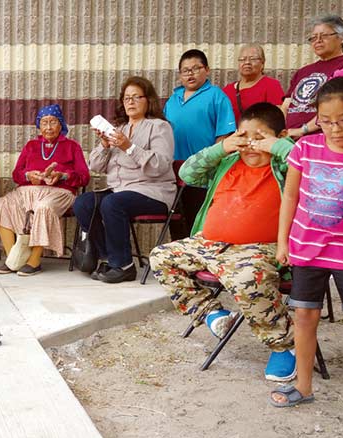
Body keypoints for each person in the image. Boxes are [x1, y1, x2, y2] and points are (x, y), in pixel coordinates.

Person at [150, 102, 297, 382]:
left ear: (281, 136)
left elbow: (305, 160)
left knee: (245, 277)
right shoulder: (228, 160)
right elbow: (187, 174)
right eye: (244, 136)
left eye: (259, 137)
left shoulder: (285, 165)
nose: (250, 144)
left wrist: (277, 146)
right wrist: (223, 147)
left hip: (259, 248)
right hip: (211, 244)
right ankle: (211, 312)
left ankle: (284, 346)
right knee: (161, 256)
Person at [270, 75, 343, 407]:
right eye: (325, 121)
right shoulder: (306, 148)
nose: (335, 129)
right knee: (305, 317)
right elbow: (290, 196)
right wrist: (283, 242)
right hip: (307, 246)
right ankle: (304, 387)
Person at [72, 76, 175, 283]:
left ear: (148, 101)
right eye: (127, 98)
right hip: (120, 190)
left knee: (112, 203)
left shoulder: (159, 127)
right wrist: (104, 145)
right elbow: (95, 167)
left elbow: (161, 165)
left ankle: (124, 265)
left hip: (153, 191)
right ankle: (108, 257)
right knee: (83, 203)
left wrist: (129, 147)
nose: (130, 102)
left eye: (136, 97)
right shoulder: (120, 130)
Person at [0, 104, 89, 276]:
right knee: (0, 205)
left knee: (43, 207)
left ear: (61, 124)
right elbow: (16, 174)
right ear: (38, 126)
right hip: (28, 191)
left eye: (53, 122)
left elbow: (84, 177)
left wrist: (63, 175)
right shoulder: (31, 145)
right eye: (44, 122)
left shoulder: (72, 146)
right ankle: (14, 259)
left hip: (59, 192)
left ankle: (34, 261)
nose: (48, 127)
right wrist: (28, 176)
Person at [164, 49, 236, 239]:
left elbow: (224, 137)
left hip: (203, 175)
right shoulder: (172, 100)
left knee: (199, 224)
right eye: (185, 70)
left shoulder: (217, 96)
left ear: (207, 70)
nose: (190, 73)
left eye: (196, 68)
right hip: (173, 174)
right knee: (177, 223)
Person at [281, 14, 343, 140]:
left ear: (342, 38)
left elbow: (339, 106)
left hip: (322, 138)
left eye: (324, 36)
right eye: (313, 38)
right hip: (289, 138)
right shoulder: (303, 71)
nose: (317, 41)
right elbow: (286, 106)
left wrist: (303, 130)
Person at [222, 45, 285, 123]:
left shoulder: (271, 85)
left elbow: (278, 117)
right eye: (242, 59)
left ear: (262, 63)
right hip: (233, 134)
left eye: (253, 59)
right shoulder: (227, 90)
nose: (247, 62)